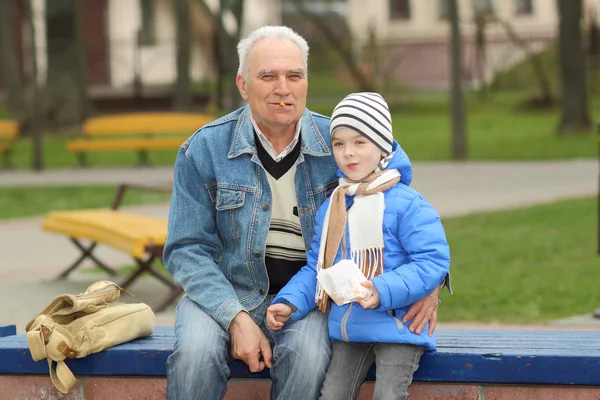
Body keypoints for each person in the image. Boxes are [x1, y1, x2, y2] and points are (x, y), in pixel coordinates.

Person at [164, 26, 443, 400]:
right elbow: (186, 249)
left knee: (309, 356)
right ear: (243, 85)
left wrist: (432, 284)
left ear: (306, 82)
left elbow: (399, 205)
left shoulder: (341, 142)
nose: (283, 88)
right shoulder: (204, 150)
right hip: (225, 290)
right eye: (268, 76)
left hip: (312, 297)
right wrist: (234, 316)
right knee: (195, 355)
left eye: (294, 76)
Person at [267, 92, 451, 400]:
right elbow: (318, 268)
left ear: (383, 147)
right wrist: (290, 302)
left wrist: (381, 289)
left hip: (399, 327)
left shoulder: (409, 204)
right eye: (339, 143)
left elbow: (432, 263)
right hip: (350, 328)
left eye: (360, 142)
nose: (348, 153)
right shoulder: (335, 205)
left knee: (388, 395)